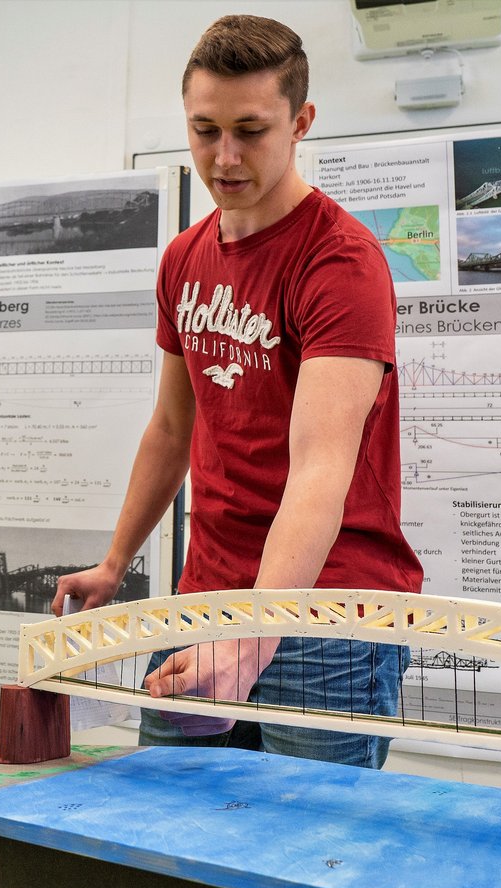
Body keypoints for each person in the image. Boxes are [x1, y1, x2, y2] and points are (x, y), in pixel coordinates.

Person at [52, 14, 423, 769]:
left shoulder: (340, 263)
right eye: (205, 130)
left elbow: (321, 467)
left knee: (306, 859)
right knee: (173, 838)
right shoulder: (184, 258)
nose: (224, 157)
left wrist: (255, 637)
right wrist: (116, 560)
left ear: (301, 122)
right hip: (206, 600)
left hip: (326, 615)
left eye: (250, 131)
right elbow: (170, 427)